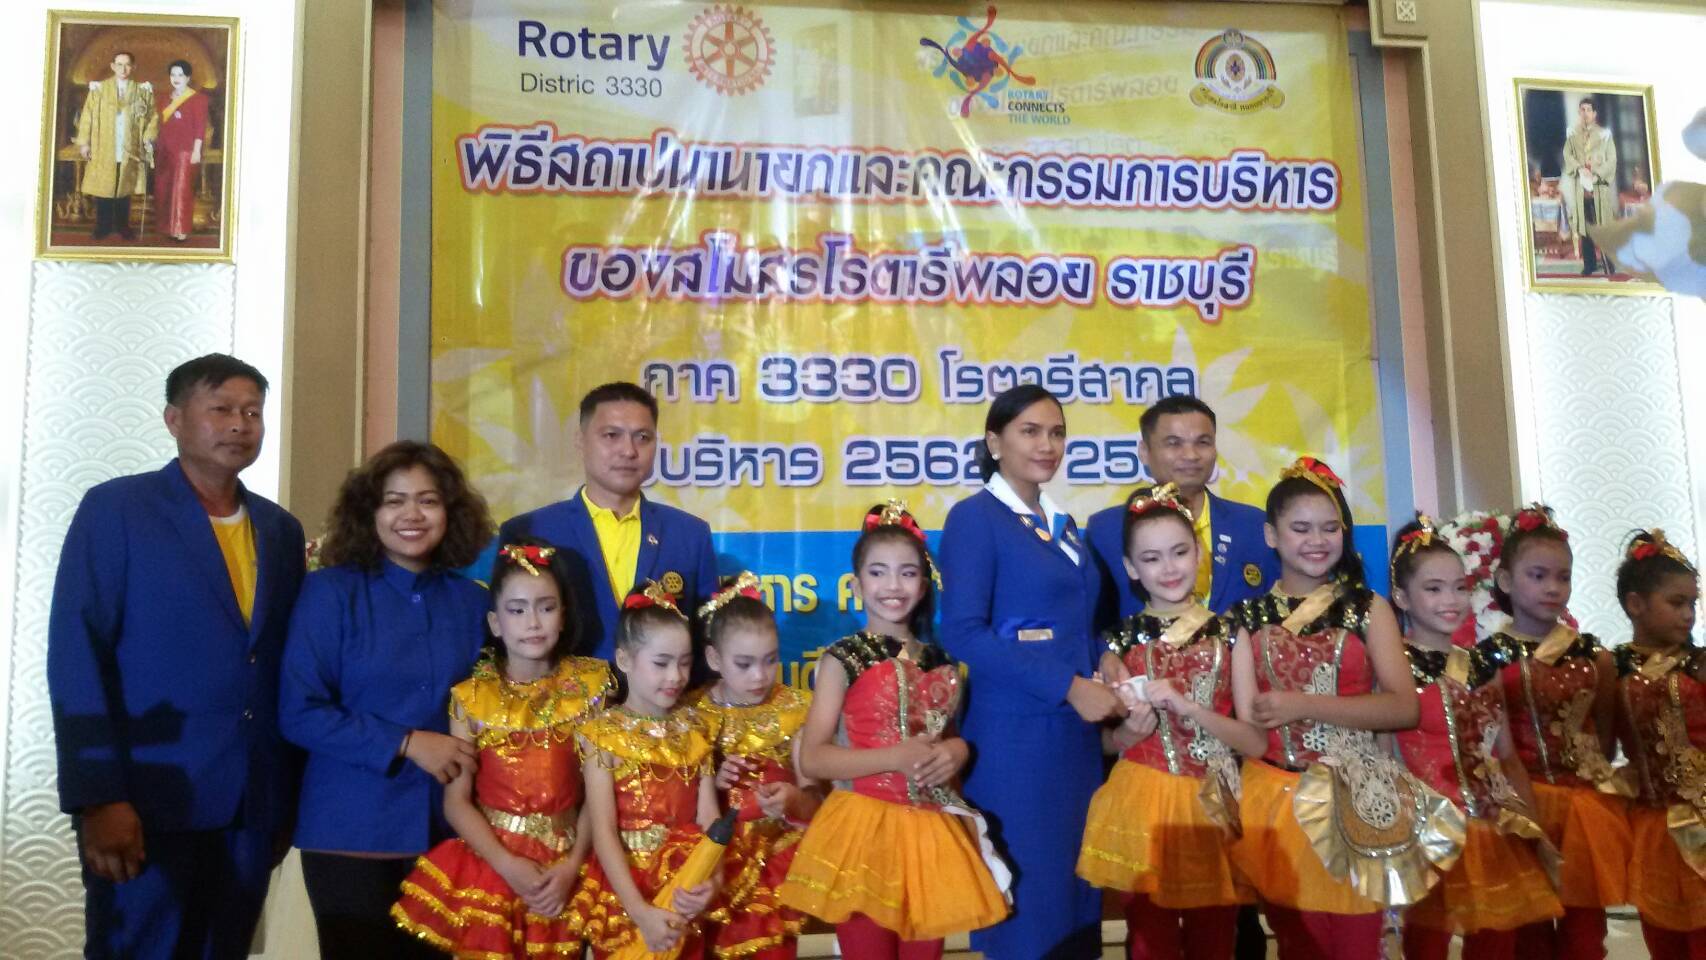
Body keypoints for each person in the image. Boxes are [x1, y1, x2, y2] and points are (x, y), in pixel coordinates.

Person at [47, 353, 306, 959]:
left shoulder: (280, 530)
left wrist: (285, 801)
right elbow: (77, 655)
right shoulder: (117, 509)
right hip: (146, 798)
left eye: (253, 412)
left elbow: (280, 667)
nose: (239, 424)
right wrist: (99, 796)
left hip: (251, 804)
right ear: (174, 420)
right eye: (221, 409)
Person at [279, 441, 494, 959]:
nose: (411, 515)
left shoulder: (473, 602)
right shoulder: (329, 593)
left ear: (451, 512)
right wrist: (406, 742)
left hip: (447, 830)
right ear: (368, 513)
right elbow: (299, 711)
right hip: (352, 828)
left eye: (428, 500)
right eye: (394, 501)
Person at [937, 384, 1126, 959]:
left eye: (1057, 432)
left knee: (1077, 901)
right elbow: (963, 632)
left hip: (1074, 741)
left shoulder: (1062, 523)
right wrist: (1068, 685)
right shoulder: (974, 518)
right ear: (994, 442)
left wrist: (1104, 654)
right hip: (1015, 743)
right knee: (1031, 909)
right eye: (1031, 431)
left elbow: (1074, 623)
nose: (1047, 445)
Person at [780, 501, 1008, 958]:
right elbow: (814, 757)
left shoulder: (943, 662)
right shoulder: (842, 658)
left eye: (907, 573)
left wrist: (959, 751)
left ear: (923, 585)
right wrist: (894, 757)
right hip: (864, 831)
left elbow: (948, 737)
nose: (893, 585)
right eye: (878, 572)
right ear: (857, 584)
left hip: (930, 833)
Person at [1225, 458, 1428, 960]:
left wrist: (1301, 704)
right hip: (1275, 797)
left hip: (1356, 799)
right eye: (1300, 528)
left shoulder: (1368, 608)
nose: (1317, 540)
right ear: (1271, 536)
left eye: (1330, 528)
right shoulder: (1246, 618)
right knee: (1299, 945)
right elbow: (1247, 725)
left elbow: (1404, 708)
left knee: (1357, 943)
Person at [392, 538, 613, 957]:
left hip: (569, 866)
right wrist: (506, 864)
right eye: (517, 610)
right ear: (495, 622)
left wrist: (571, 867)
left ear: (563, 615)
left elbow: (599, 796)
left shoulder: (591, 687)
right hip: (494, 864)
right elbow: (456, 803)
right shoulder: (472, 697)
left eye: (546, 607)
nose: (533, 622)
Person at [1081, 483, 1266, 960]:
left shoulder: (1231, 633)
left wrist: (1192, 709)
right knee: (1150, 941)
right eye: (1152, 558)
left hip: (1215, 799)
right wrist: (1126, 733)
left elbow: (1255, 741)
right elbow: (1099, 742)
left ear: (1199, 553)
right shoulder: (1116, 644)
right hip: (1143, 802)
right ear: (1130, 567)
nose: (1168, 568)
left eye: (1180, 552)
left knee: (1215, 940)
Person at [1387, 517, 1560, 960]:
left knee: (1497, 945)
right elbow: (1382, 758)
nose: (1451, 600)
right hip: (1425, 834)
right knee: (1426, 945)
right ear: (1402, 597)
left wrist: (1536, 830)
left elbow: (1506, 757)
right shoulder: (1391, 668)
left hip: (1492, 830)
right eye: (1433, 589)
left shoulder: (1483, 665)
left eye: (1459, 587)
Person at [1482, 505, 1629, 959]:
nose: (1553, 587)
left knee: (1584, 932)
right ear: (1506, 580)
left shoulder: (1595, 657)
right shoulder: (1488, 659)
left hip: (1585, 808)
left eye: (1563, 577)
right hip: (1518, 805)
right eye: (1538, 575)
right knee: (1528, 931)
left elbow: (1605, 735)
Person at [499, 382, 719, 660]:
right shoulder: (530, 531)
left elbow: (706, 644)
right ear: (580, 441)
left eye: (643, 437)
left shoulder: (689, 535)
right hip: (562, 688)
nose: (628, 451)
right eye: (612, 435)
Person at [572, 583, 722, 958]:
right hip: (627, 891)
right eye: (661, 663)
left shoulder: (696, 728)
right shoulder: (602, 735)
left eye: (684, 662)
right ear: (624, 659)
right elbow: (603, 831)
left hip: (684, 884)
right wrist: (639, 911)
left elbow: (710, 819)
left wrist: (713, 879)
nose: (675, 676)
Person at [692, 572, 822, 960]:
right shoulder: (694, 714)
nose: (759, 676)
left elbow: (817, 801)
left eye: (770, 661)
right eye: (744, 664)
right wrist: (713, 781)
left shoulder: (796, 709)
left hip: (777, 863)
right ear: (714, 658)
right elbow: (675, 799)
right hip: (714, 861)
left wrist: (793, 798)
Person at [1087, 395, 1278, 627]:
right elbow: (1092, 624)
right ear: (1144, 451)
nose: (1191, 455)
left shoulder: (1254, 525)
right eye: (1174, 443)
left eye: (1203, 442)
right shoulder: (1106, 531)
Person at [1610, 530, 1705, 959]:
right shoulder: (1611, 667)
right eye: (1677, 602)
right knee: (1664, 941)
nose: (1688, 615)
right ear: (1636, 604)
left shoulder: (1700, 664)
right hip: (1652, 823)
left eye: (1693, 604)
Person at [75, 50, 156, 240]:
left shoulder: (142, 91)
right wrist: (84, 143)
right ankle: (102, 226)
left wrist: (148, 138)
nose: (123, 68)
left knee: (124, 187)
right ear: (112, 66)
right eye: (119, 64)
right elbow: (87, 117)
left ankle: (123, 226)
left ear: (133, 67)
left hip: (129, 147)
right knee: (104, 187)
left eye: (127, 64)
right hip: (104, 145)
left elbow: (153, 117)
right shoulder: (99, 90)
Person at [1561, 97, 1618, 276]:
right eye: (1582, 110)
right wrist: (1579, 168)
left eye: (1588, 110)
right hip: (1581, 189)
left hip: (1598, 188)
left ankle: (1609, 264)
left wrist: (1597, 174)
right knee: (1585, 229)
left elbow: (1612, 159)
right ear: (1579, 112)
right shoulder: (1572, 134)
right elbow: (1567, 154)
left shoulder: (1604, 135)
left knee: (1603, 227)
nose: (1585, 113)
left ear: (1594, 113)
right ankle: (1590, 264)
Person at [153, 59, 208, 242]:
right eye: (173, 74)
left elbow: (200, 127)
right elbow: (158, 124)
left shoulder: (198, 99)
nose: (176, 78)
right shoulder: (163, 98)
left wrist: (197, 151)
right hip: (164, 149)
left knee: (181, 190)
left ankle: (180, 229)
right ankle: (167, 227)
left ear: (188, 78)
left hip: (185, 151)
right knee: (165, 189)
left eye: (180, 75)